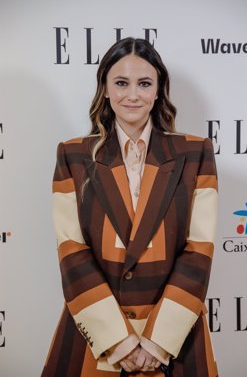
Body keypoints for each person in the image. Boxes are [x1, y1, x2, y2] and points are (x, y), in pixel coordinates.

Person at [42, 37, 218, 377]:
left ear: (158, 90)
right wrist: (120, 342)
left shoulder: (194, 153)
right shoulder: (73, 155)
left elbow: (199, 251)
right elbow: (71, 250)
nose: (133, 95)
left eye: (144, 83)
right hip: (98, 341)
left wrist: (157, 342)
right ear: (105, 89)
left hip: (175, 340)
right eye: (121, 83)